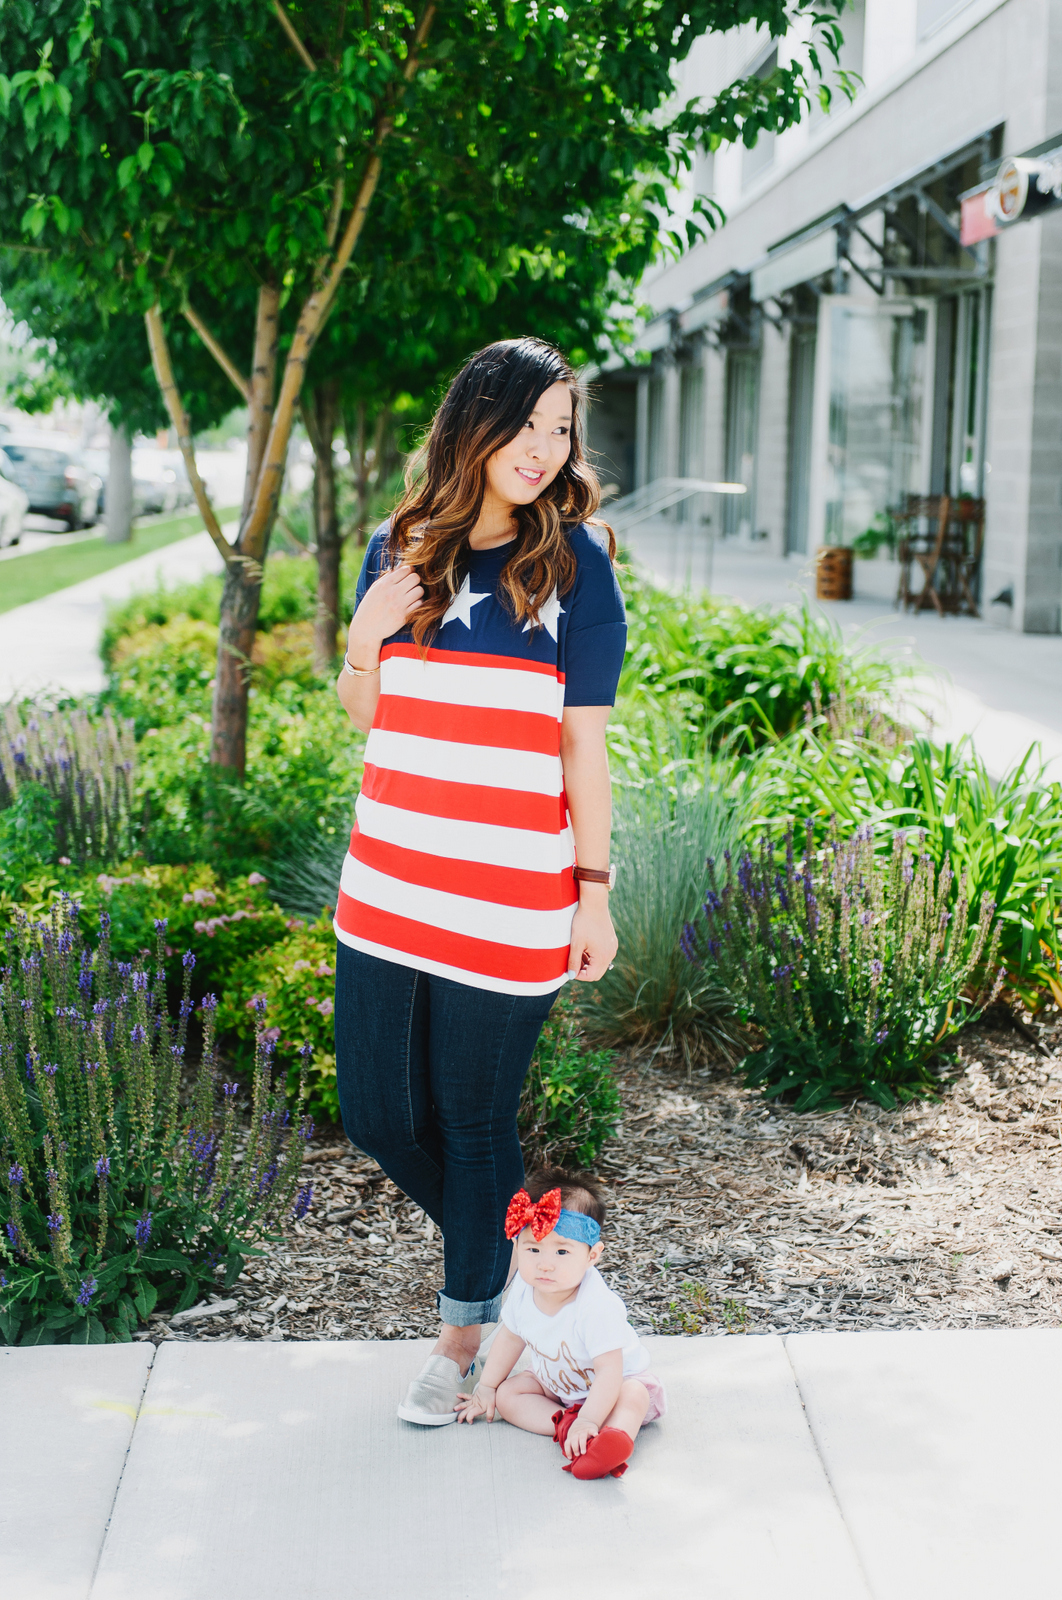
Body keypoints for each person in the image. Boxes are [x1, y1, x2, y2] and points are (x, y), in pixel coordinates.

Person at [333, 338, 627, 1426]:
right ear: (475, 420)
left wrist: (593, 888)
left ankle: (466, 1340)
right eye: (530, 423)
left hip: (510, 897)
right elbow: (370, 718)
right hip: (387, 885)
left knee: (471, 1117)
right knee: (375, 1114)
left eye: (564, 429)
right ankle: (537, 1272)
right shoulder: (400, 545)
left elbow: (582, 749)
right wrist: (364, 638)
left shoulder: (577, 564)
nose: (547, 449)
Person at [454, 1168, 666, 1479]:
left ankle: (613, 1438)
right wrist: (486, 1388)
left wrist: (591, 1418)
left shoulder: (595, 1306)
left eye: (562, 1250)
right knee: (509, 1395)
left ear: (591, 1255)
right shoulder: (525, 1291)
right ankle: (566, 1426)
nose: (545, 1263)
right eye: (533, 1248)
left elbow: (609, 1371)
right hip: (556, 1386)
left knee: (634, 1395)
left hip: (614, 1385)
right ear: (516, 1248)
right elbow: (511, 1339)